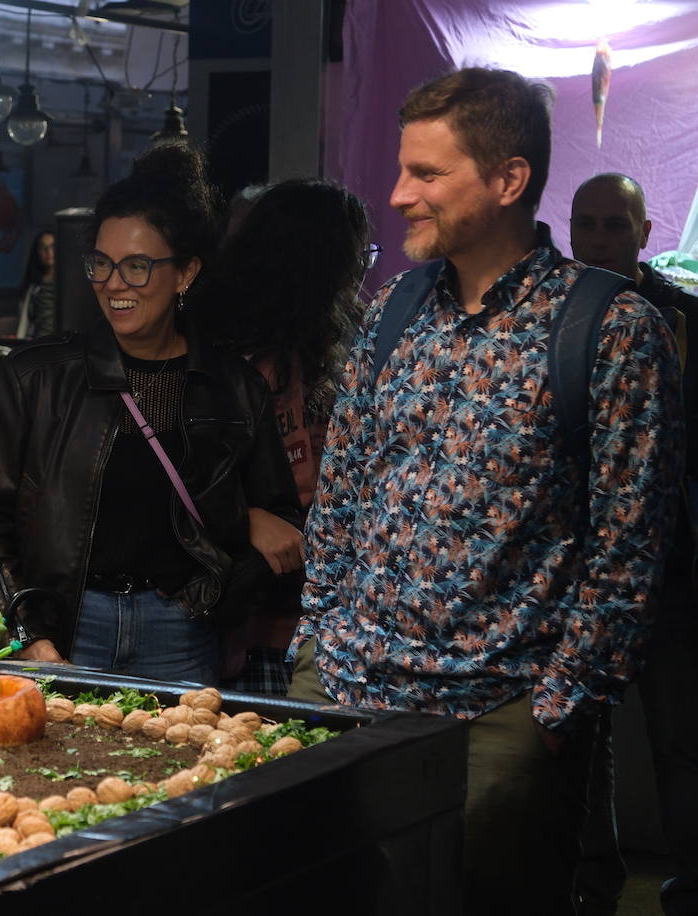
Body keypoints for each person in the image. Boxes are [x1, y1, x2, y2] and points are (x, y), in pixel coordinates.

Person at [289, 68, 683, 913]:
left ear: (509, 180)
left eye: (427, 175)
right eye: (402, 170)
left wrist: (554, 711)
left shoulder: (607, 327)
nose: (397, 195)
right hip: (349, 692)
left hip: (499, 720)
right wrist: (316, 649)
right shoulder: (395, 307)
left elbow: (627, 552)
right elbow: (343, 495)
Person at [0, 142, 300, 685]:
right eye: (102, 263)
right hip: (66, 625)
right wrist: (26, 633)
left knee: (184, 767)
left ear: (185, 273)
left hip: (180, 632)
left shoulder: (233, 387)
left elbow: (279, 527)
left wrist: (217, 605)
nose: (114, 283)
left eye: (137, 266)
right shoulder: (36, 377)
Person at [569, 172, 698, 916]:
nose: (596, 238)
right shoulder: (557, 318)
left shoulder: (678, 319)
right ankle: (591, 883)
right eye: (586, 224)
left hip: (670, 565)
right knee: (580, 738)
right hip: (581, 565)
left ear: (646, 232)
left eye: (613, 224)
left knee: (681, 737)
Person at [214, 178, 371, 693]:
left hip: (327, 613)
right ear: (319, 266)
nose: (362, 273)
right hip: (256, 615)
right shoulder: (233, 363)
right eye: (358, 257)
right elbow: (176, 480)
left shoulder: (342, 346)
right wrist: (245, 518)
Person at [15, 230, 56, 339]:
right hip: (37, 344)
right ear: (38, 252)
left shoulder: (68, 285)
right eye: (44, 248)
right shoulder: (33, 286)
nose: (49, 252)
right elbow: (25, 323)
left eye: (53, 246)